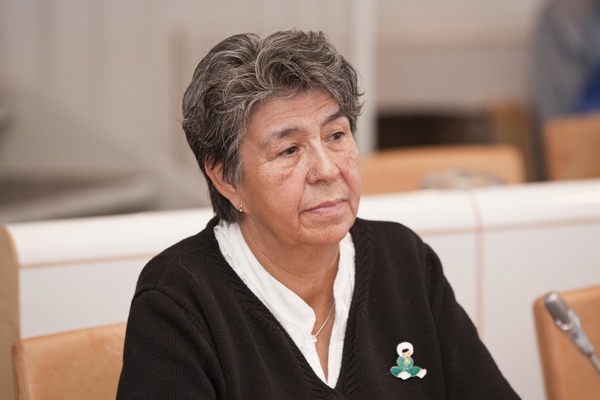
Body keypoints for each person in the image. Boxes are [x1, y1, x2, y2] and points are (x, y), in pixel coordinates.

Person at [117, 30, 520, 399]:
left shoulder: (403, 259)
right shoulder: (179, 300)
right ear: (226, 178)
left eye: (336, 135)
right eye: (289, 150)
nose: (327, 170)